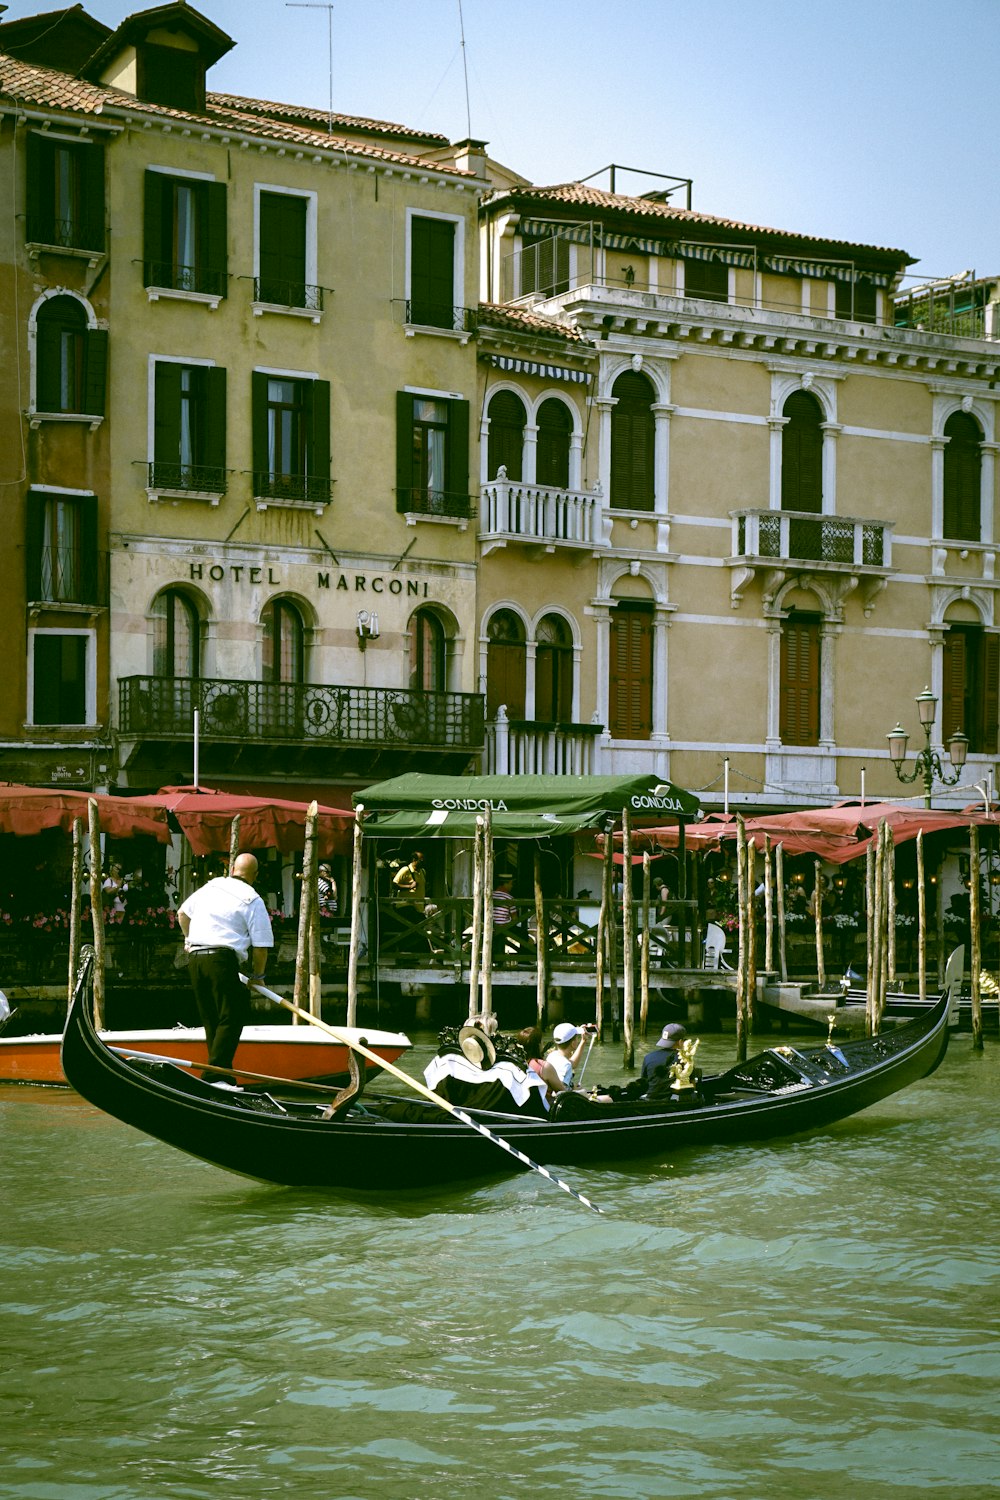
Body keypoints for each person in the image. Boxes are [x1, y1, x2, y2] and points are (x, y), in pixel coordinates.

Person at [177, 852, 274, 1082]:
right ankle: (216, 1075)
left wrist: (189, 940)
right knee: (234, 1014)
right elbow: (261, 947)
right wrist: (258, 976)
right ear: (255, 876)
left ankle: (219, 1074)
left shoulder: (210, 887)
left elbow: (182, 914)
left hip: (196, 959)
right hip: (221, 960)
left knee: (212, 1018)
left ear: (232, 871)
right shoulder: (253, 898)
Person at [640, 1022, 690, 1097]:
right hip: (672, 1101)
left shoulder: (648, 1057)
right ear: (680, 1042)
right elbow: (691, 1085)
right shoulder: (684, 1059)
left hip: (650, 1098)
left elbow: (643, 1082)